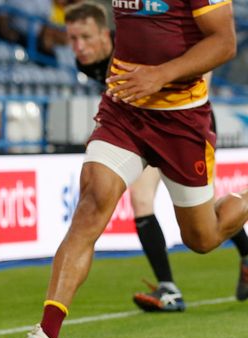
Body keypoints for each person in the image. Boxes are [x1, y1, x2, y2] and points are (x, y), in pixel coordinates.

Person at [2, 0, 245, 338]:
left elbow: (224, 42)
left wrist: (161, 74)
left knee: (203, 238)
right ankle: (46, 337)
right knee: (91, 205)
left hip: (180, 119)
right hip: (125, 111)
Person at [64, 0, 248, 311]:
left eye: (86, 38)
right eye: (72, 39)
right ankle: (169, 286)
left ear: (106, 34)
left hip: (179, 121)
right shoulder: (89, 62)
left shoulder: (137, 40)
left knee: (202, 230)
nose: (79, 47)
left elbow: (204, 51)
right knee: (143, 201)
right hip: (138, 123)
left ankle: (241, 254)